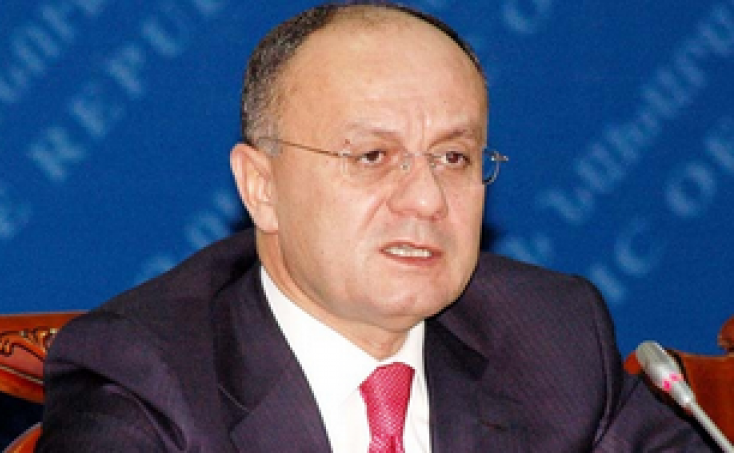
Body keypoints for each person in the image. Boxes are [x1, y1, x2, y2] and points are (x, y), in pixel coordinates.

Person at [37, 2, 714, 452]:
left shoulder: (551, 332)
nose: (425, 198)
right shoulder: (146, 377)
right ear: (262, 187)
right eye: (372, 156)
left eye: (453, 157)